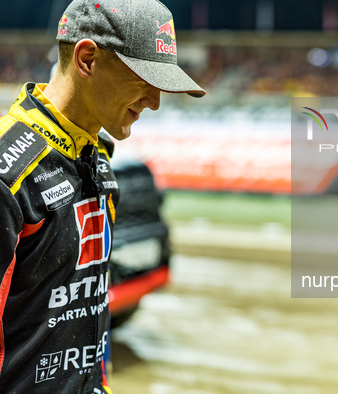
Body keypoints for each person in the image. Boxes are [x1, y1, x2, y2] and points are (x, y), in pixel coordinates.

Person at [0, 0, 205, 392]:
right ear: (88, 59)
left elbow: (93, 312)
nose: (155, 101)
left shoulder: (99, 161)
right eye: (143, 79)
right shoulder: (8, 173)